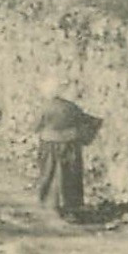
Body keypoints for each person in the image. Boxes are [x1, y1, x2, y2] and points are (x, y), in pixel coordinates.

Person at [33, 80, 101, 221]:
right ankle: (71, 206)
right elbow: (85, 120)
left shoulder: (45, 107)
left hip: (49, 144)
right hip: (70, 145)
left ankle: (50, 203)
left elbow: (36, 126)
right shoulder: (71, 107)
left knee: (50, 173)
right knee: (70, 175)